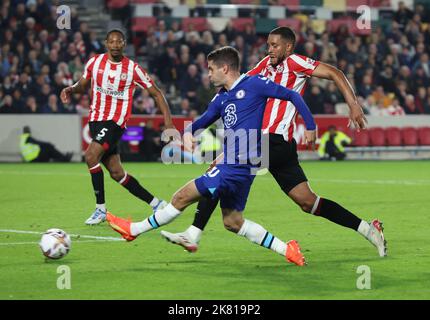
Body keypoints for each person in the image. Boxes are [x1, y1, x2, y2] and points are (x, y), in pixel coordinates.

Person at [161, 27, 387, 258]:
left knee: (221, 169)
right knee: (307, 202)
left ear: (288, 47)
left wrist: (353, 104)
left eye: (275, 45)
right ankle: (369, 230)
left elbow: (335, 73)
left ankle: (194, 232)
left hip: (271, 139)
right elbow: (240, 82)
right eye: (268, 45)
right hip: (274, 145)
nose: (269, 49)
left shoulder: (296, 62)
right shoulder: (264, 66)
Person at [106, 46, 318, 266]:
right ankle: (288, 250)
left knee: (180, 197)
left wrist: (310, 125)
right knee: (233, 222)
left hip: (237, 164)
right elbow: (204, 120)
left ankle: (133, 230)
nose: (207, 74)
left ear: (224, 68)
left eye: (210, 69)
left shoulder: (254, 84)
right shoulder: (222, 98)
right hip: (241, 167)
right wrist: (188, 133)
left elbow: (292, 95)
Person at [60, 29, 174, 225]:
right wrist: (71, 89)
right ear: (106, 43)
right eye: (111, 41)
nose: (115, 45)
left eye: (118, 42)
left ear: (124, 44)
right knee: (117, 173)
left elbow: (156, 94)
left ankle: (100, 209)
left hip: (115, 122)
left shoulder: (133, 69)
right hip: (96, 120)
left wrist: (168, 122)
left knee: (90, 156)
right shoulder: (95, 62)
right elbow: (83, 83)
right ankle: (157, 203)